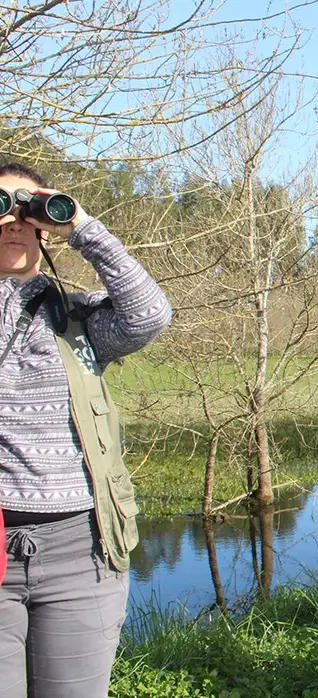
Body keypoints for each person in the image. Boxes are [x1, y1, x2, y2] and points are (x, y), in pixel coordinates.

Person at [0, 162, 173, 697]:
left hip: (83, 550)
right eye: (2, 207)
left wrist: (81, 227)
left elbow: (149, 314)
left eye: (28, 208)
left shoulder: (78, 320)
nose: (15, 221)